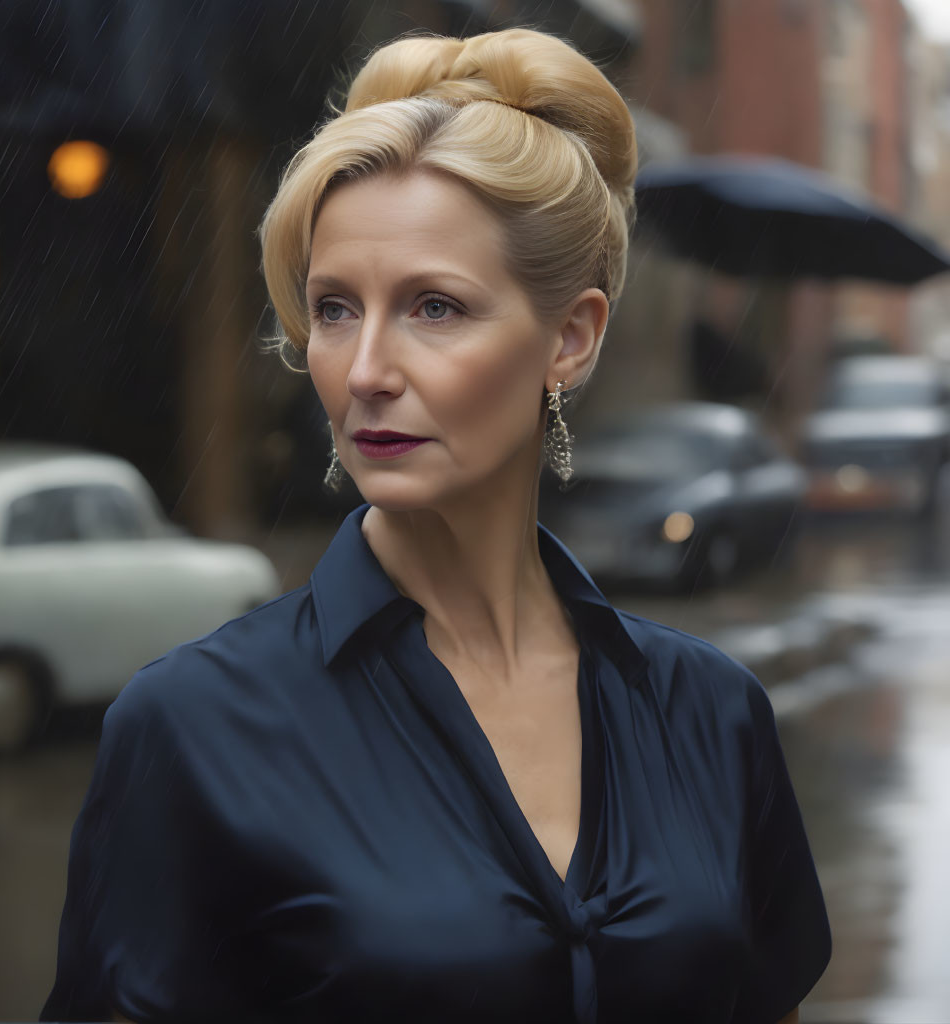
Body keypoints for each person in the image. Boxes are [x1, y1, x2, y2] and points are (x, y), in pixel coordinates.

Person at [42, 28, 830, 1024]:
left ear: (570, 338)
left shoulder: (710, 714)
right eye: (334, 308)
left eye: (432, 307)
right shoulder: (193, 726)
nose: (365, 368)